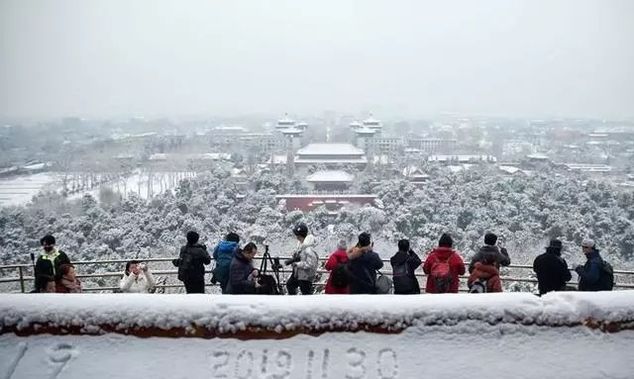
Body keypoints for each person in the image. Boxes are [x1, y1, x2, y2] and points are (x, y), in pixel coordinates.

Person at [284, 223, 319, 295]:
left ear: (301, 235)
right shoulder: (301, 246)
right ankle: (294, 302)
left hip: (305, 276)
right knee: (290, 285)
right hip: (298, 274)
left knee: (306, 293)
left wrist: (297, 264)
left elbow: (310, 264)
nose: (297, 237)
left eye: (297, 235)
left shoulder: (308, 249)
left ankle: (304, 305)